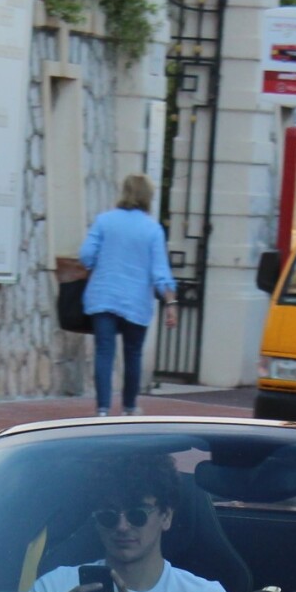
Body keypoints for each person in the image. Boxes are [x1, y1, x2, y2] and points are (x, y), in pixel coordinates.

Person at [33, 456, 229, 592]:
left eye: (137, 515)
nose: (122, 527)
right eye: (108, 516)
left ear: (166, 516)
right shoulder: (53, 587)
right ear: (96, 521)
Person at [75, 174, 178, 416]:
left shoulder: (103, 221)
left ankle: (102, 408)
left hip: (104, 296)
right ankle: (129, 407)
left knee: (104, 352)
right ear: (148, 198)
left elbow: (86, 255)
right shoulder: (153, 229)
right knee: (133, 354)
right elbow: (160, 272)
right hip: (136, 301)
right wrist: (171, 303)